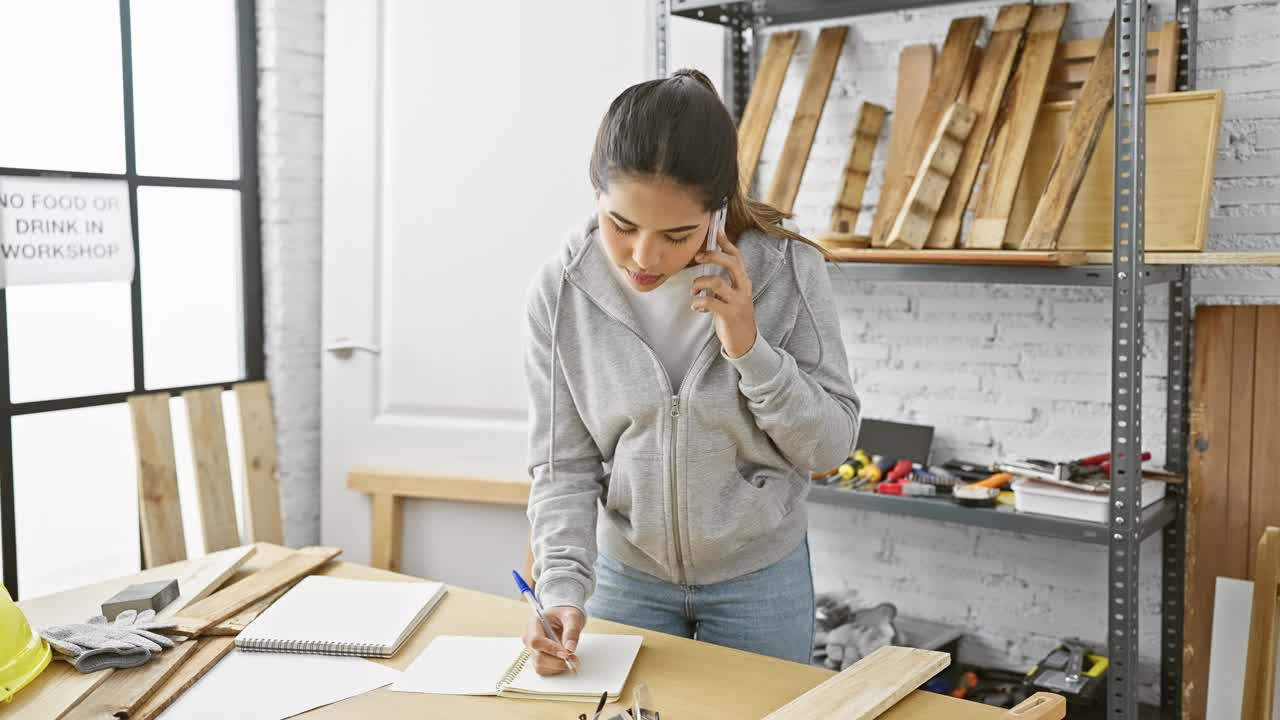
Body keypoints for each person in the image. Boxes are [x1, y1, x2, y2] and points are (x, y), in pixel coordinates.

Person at [521, 68, 860, 676]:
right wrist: (562, 589)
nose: (645, 258)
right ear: (596, 192)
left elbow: (830, 447)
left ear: (718, 208)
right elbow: (562, 465)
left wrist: (749, 348)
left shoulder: (788, 269)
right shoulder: (562, 291)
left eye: (676, 234)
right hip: (628, 579)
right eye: (621, 226)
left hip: (761, 579)